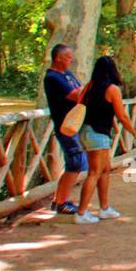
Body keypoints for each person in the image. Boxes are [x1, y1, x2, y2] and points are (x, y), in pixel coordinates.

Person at [73, 56, 136, 225]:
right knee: (94, 173)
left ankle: (104, 208)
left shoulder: (88, 88)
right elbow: (122, 116)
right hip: (97, 134)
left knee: (104, 170)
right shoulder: (112, 89)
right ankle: (81, 213)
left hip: (87, 132)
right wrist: (135, 133)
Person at [42, 44, 86, 215]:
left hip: (74, 123)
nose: (71, 60)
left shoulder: (67, 74)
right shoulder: (52, 77)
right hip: (65, 125)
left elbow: (80, 89)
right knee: (74, 163)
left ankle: (58, 199)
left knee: (73, 163)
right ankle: (61, 202)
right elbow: (75, 95)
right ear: (58, 57)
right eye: (68, 57)